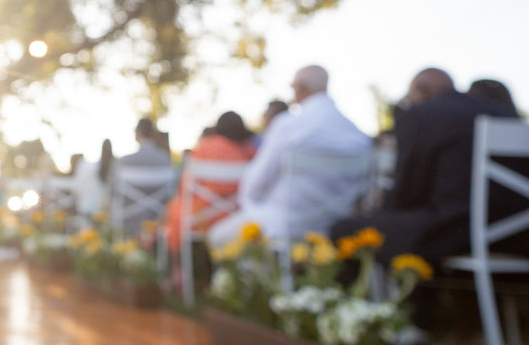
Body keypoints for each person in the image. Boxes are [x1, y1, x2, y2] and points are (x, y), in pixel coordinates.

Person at [331, 68, 525, 264]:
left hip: (457, 233)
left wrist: (377, 211)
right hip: (517, 236)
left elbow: (405, 194)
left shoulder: (423, 114)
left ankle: (364, 295)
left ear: (421, 90)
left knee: (345, 229)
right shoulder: (504, 112)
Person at [209, 65, 371, 247]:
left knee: (218, 237)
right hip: (336, 225)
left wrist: (252, 202)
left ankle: (261, 275)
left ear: (301, 87)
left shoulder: (288, 126)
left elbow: (255, 184)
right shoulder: (358, 136)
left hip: (285, 226)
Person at [163, 112, 256, 251]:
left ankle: (178, 266)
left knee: (174, 208)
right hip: (237, 216)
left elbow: (184, 186)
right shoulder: (249, 152)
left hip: (199, 218)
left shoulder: (205, 147)